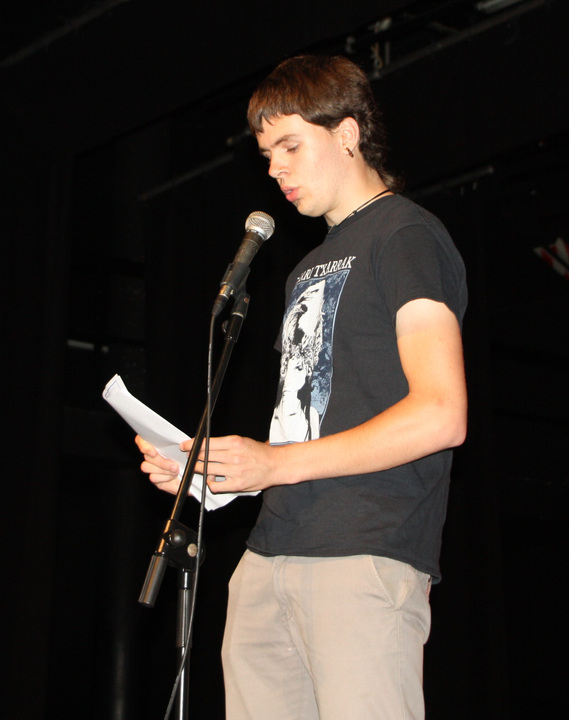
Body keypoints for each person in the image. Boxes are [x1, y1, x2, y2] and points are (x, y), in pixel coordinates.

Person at [136, 54, 468, 720]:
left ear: (347, 134)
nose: (275, 169)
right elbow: (302, 429)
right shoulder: (304, 268)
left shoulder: (405, 235)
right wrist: (219, 476)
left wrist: (276, 464)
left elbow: (441, 413)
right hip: (268, 557)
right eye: (267, 155)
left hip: (362, 551)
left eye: (290, 146)